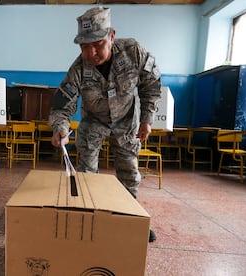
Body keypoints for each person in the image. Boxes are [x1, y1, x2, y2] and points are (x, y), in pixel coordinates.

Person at [49, 6, 162, 242]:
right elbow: (62, 104)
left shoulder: (134, 51)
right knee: (87, 174)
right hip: (94, 122)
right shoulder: (78, 68)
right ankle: (90, 219)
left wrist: (147, 118)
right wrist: (60, 127)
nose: (91, 53)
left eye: (97, 44)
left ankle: (130, 219)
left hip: (126, 120)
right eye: (84, 46)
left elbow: (151, 84)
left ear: (111, 36)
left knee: (129, 173)